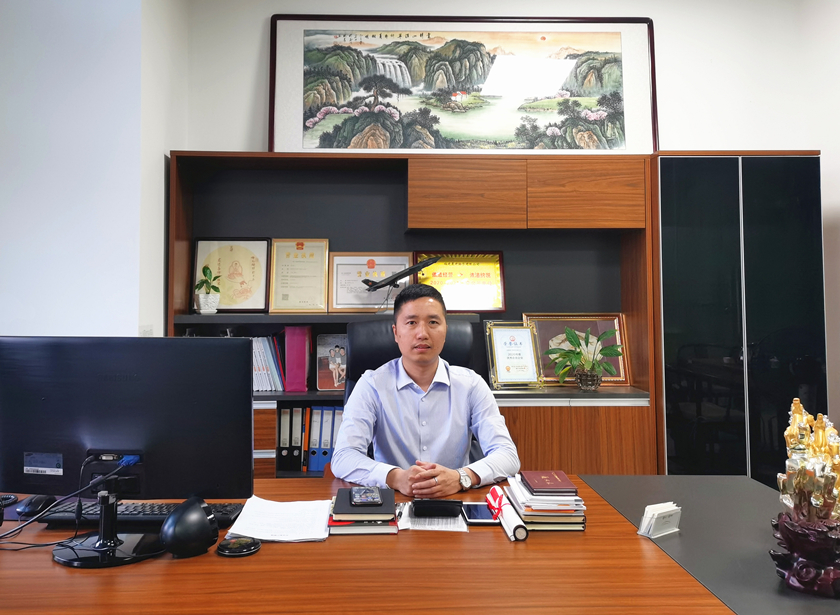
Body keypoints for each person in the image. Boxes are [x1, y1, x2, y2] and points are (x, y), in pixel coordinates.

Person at [331, 284, 520, 497]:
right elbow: (343, 457)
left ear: (445, 330)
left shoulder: (471, 385)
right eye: (411, 322)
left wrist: (461, 477)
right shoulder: (372, 385)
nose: (422, 333)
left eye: (433, 322)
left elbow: (507, 455)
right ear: (396, 332)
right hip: (395, 501)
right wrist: (396, 477)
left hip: (455, 500)